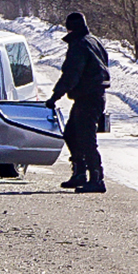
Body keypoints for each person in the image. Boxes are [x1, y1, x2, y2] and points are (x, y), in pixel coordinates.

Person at [45, 11, 110, 194]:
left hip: (89, 98)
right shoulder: (93, 41)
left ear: (70, 28)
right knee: (71, 134)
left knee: (86, 139)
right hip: (92, 96)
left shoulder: (79, 45)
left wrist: (54, 96)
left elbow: (71, 74)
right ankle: (79, 173)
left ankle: (97, 178)